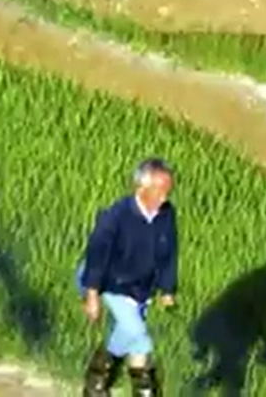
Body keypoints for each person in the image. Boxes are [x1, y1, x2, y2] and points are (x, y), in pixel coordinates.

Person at [78, 158, 179, 397]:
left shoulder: (166, 215)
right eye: (160, 191)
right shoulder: (116, 216)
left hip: (139, 289)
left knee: (130, 341)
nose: (164, 198)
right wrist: (92, 295)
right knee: (139, 337)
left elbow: (169, 252)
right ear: (141, 188)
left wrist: (167, 289)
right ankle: (105, 385)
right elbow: (96, 257)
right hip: (108, 284)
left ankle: (96, 385)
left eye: (168, 192)